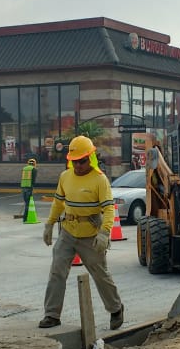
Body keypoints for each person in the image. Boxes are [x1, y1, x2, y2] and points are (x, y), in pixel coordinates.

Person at [39, 136, 124, 330]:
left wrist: (104, 233)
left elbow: (109, 209)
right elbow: (59, 202)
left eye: (82, 161)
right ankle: (52, 314)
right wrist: (49, 224)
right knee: (57, 271)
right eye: (74, 161)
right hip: (68, 232)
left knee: (99, 273)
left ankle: (116, 308)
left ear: (90, 157)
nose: (78, 165)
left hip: (91, 234)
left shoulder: (99, 180)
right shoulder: (65, 177)